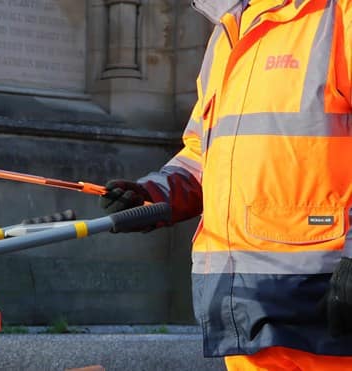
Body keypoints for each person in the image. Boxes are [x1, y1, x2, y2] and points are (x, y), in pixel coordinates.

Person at [99, 0, 352, 370]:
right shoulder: (228, 31)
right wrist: (154, 194)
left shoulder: (338, 15)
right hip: (241, 300)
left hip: (325, 297)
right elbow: (206, 149)